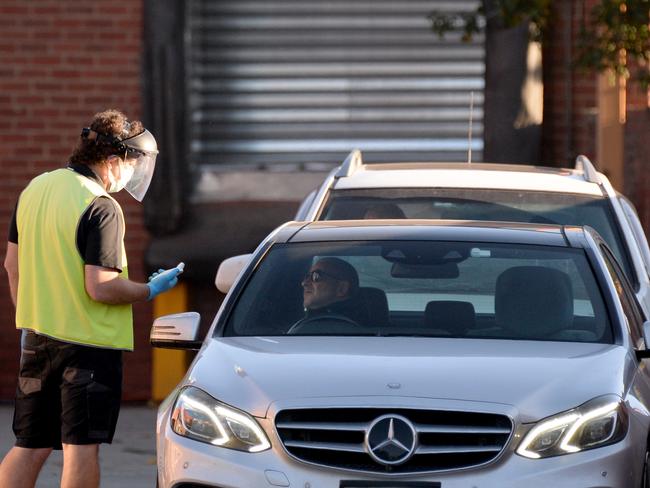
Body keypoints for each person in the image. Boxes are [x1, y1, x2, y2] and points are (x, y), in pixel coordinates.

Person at [0, 109, 182, 488]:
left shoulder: (36, 188)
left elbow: (11, 266)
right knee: (81, 448)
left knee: (29, 445)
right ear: (113, 162)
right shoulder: (100, 206)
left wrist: (31, 317)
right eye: (133, 166)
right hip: (88, 349)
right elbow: (101, 287)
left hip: (37, 340)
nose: (132, 176)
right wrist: (149, 289)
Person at [299, 257, 365, 325]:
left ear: (342, 288)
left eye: (316, 276)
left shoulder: (340, 327)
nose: (304, 283)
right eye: (307, 276)